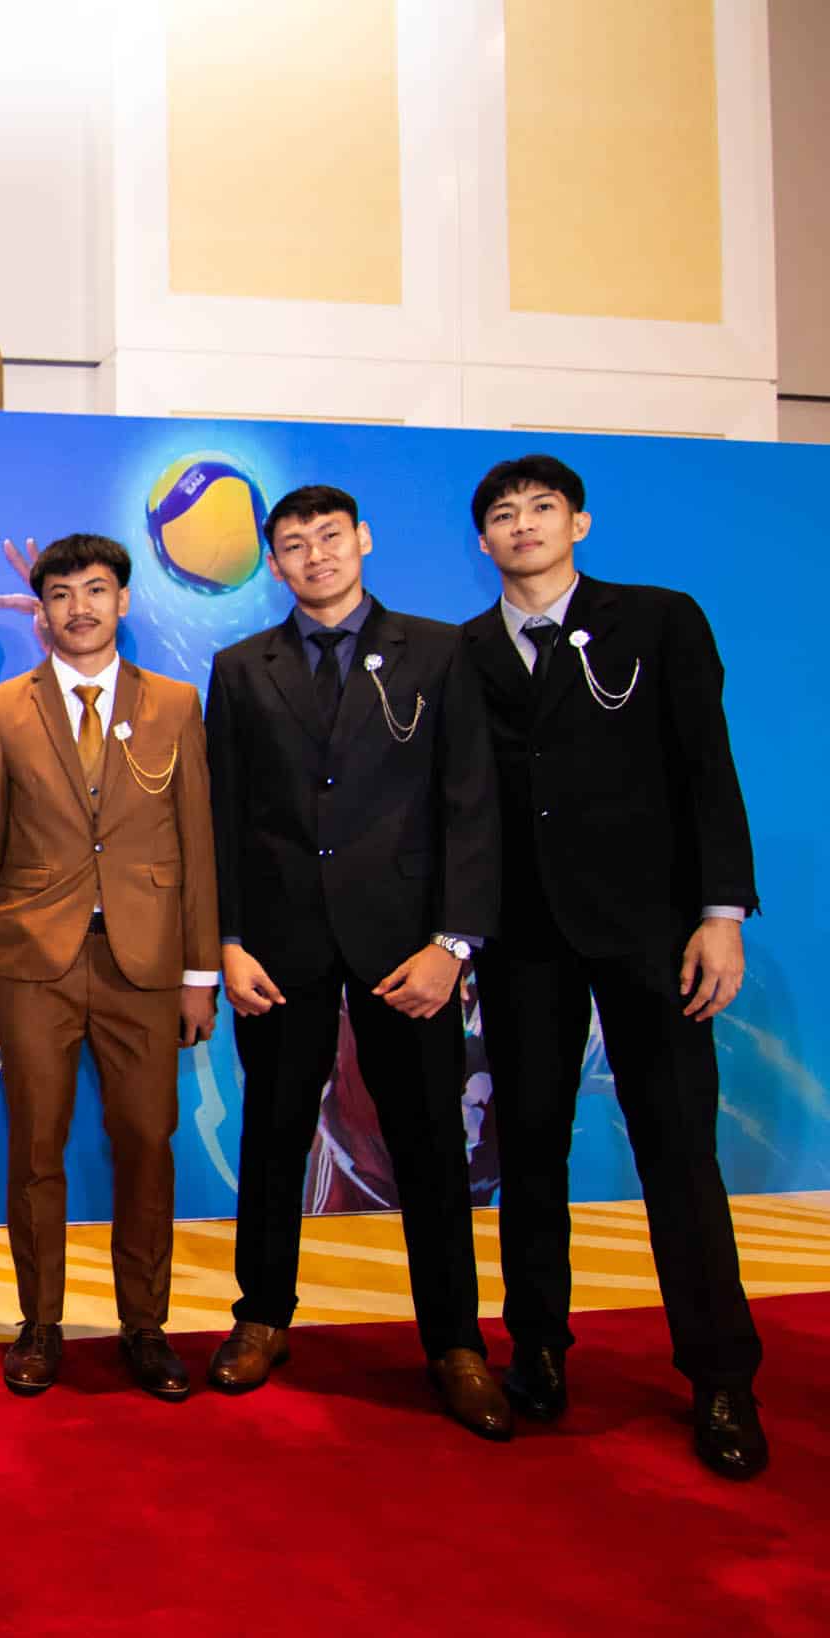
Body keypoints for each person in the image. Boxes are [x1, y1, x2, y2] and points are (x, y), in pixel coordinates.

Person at [461, 453, 767, 1479]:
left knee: (679, 1154)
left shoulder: (657, 621)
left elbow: (704, 768)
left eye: (539, 508)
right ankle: (537, 1351)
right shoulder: (461, 653)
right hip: (522, 943)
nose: (521, 526)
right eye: (500, 516)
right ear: (481, 541)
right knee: (530, 1155)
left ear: (577, 523)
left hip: (651, 937)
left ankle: (720, 1377)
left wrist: (717, 914)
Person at [203, 485, 510, 1440]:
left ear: (363, 541)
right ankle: (261, 1318)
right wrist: (228, 940)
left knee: (427, 1144)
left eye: (328, 538)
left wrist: (452, 944)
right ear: (274, 562)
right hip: (282, 948)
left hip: (405, 948)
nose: (313, 557)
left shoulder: (440, 650)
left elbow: (471, 802)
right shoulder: (241, 667)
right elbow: (224, 814)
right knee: (273, 1137)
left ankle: (454, 1342)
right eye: (291, 546)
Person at [0, 533, 219, 1397]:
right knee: (36, 1148)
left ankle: (144, 1326)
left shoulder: (176, 703)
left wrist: (199, 972)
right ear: (41, 612)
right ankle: (40, 1324)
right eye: (63, 593)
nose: (81, 607)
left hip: (144, 966)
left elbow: (197, 844)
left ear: (124, 602)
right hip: (34, 962)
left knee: (147, 1143)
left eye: (98, 590)